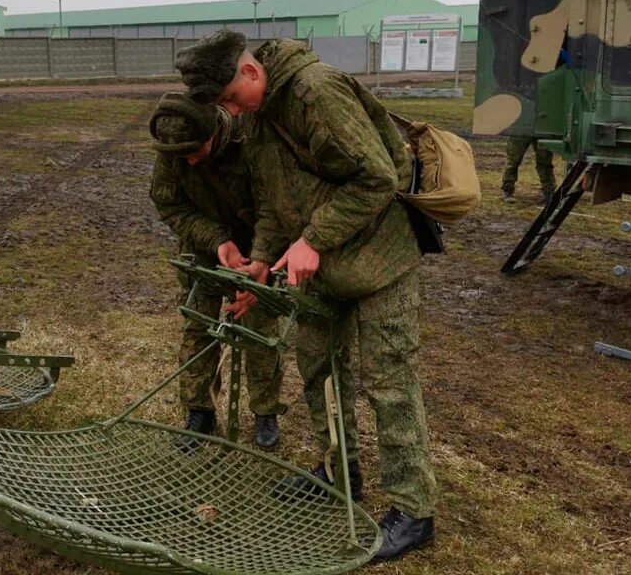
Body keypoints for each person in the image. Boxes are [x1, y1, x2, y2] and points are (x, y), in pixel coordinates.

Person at [176, 30, 437, 562]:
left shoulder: (317, 91)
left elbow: (377, 177)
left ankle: (414, 511)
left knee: (389, 381)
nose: (230, 110)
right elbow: (272, 201)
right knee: (317, 365)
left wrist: (314, 239)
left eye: (229, 97)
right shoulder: (257, 116)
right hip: (317, 269)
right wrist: (261, 261)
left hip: (378, 261)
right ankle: (339, 472)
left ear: (250, 73)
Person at [148, 92, 286, 451]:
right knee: (198, 326)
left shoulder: (252, 141)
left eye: (197, 150)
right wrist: (218, 242)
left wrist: (260, 261)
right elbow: (170, 204)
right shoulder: (173, 151)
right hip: (205, 248)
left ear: (215, 132)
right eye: (181, 155)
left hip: (261, 244)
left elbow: (276, 206)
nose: (190, 161)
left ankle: (265, 411)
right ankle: (200, 411)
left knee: (261, 330)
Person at [501, 136, 555, 204]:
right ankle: (507, 190)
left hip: (541, 129)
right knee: (513, 161)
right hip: (521, 130)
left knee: (545, 162)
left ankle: (549, 192)